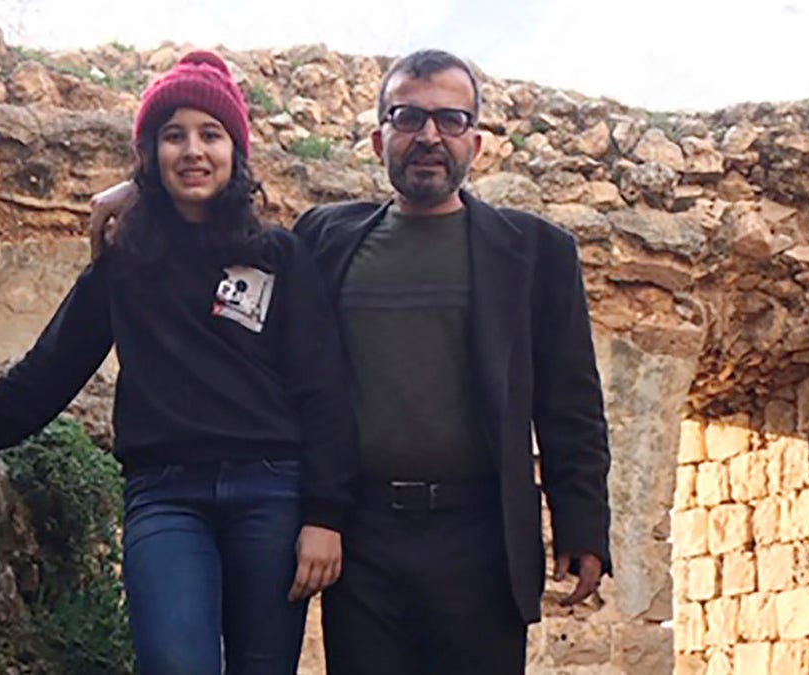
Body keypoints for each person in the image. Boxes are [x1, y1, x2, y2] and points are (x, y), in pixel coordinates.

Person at [89, 49, 611, 675]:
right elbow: (225, 233)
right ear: (377, 137)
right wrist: (146, 186)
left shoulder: (537, 252)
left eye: (450, 119)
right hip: (362, 538)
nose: (428, 136)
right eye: (407, 117)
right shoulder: (324, 238)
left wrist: (582, 525)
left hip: (481, 539)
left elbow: (569, 402)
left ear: (478, 140)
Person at [0, 51, 358, 675]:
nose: (193, 150)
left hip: (270, 493)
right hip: (166, 497)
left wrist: (324, 515)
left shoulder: (279, 255)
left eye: (210, 134)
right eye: (173, 136)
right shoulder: (125, 261)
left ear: (235, 151)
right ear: (150, 155)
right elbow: (53, 366)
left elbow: (324, 388)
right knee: (173, 663)